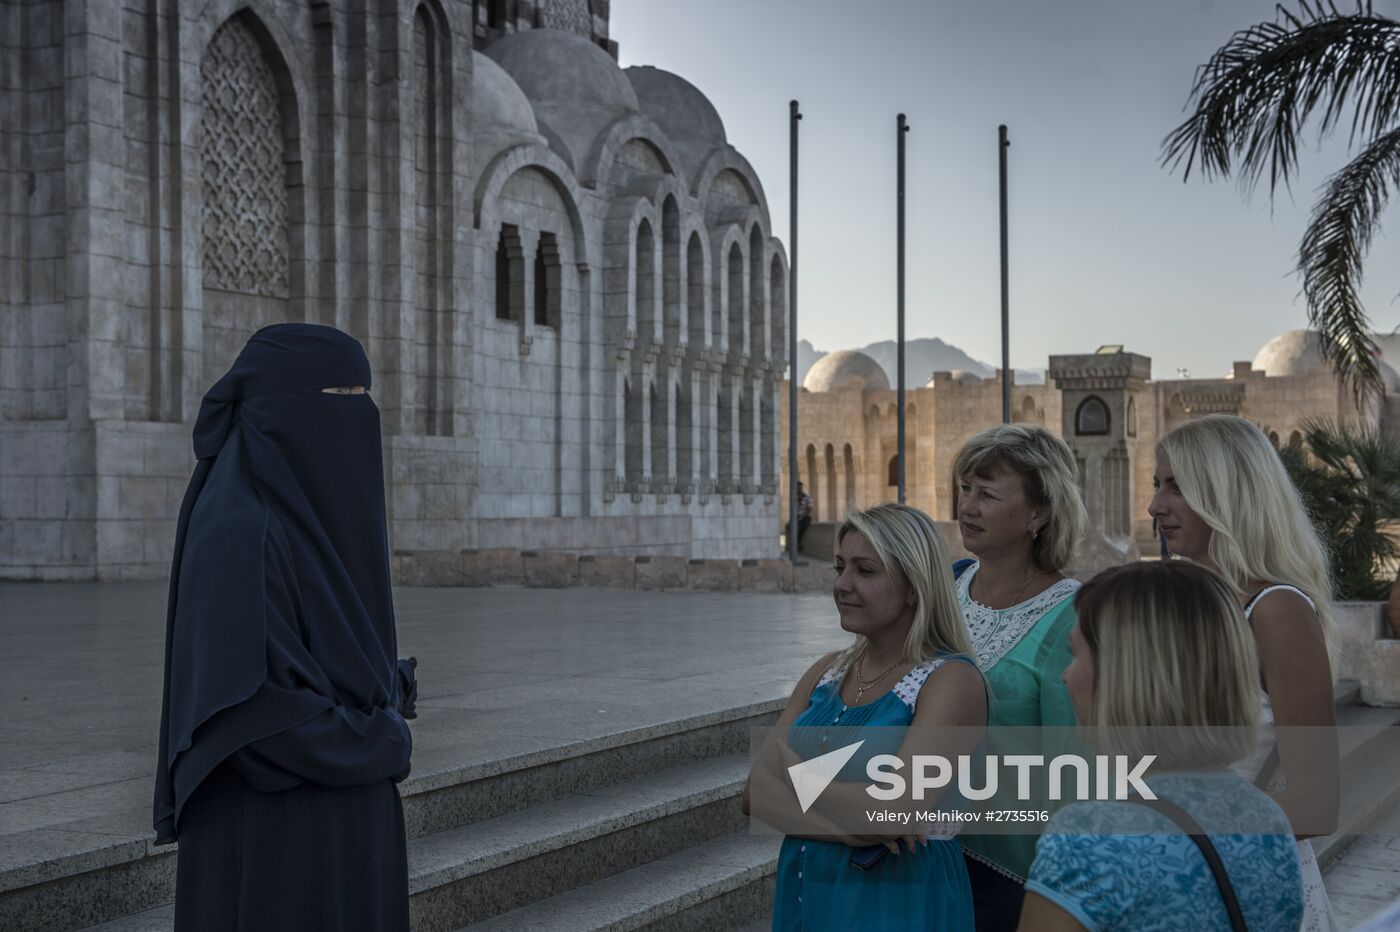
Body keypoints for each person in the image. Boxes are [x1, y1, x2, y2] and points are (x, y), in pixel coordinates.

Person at [153, 323, 418, 931]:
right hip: (280, 856)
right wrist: (384, 739)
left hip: (338, 845)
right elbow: (251, 719)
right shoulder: (237, 535)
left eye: (363, 399)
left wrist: (381, 689)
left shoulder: (302, 518)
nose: (359, 420)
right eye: (342, 400)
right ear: (287, 411)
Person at [1019, 561, 1305, 931]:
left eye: (1075, 653)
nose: (1066, 675)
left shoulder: (1089, 834)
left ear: (1124, 675)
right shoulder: (1267, 819)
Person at [744, 503, 987, 931]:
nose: (842, 584)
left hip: (895, 905)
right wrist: (853, 830)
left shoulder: (950, 681)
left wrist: (798, 779)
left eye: (865, 571)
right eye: (840, 567)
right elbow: (755, 797)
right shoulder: (826, 671)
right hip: (809, 898)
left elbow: (896, 812)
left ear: (914, 585)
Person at [1152, 413, 1339, 930]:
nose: (1155, 506)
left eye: (1177, 487)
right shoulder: (1179, 602)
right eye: (1156, 485)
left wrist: (1173, 830)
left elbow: (1316, 803)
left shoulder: (1277, 610)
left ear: (1226, 492)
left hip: (1247, 888)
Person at [950, 425, 1087, 930]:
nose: (968, 506)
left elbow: (1071, 777)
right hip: (921, 863)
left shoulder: (1072, 614)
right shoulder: (944, 587)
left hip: (1010, 881)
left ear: (1039, 513)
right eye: (965, 489)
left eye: (987, 494)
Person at [797, 481, 813, 551]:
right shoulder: (794, 497)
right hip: (797, 517)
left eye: (800, 487)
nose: (798, 489)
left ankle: (799, 543)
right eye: (797, 487)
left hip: (805, 517)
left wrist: (802, 516)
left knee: (804, 525)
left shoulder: (807, 497)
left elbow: (809, 509)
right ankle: (798, 543)